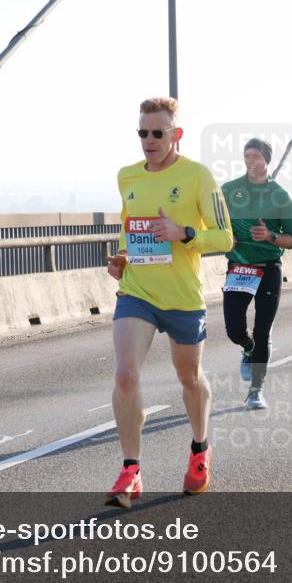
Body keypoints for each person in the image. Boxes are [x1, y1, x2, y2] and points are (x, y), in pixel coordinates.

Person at [105, 96, 234, 508]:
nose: (149, 140)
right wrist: (121, 257)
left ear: (176, 134)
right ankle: (131, 469)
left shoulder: (197, 176)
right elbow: (128, 228)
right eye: (142, 133)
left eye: (157, 133)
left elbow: (225, 237)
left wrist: (185, 234)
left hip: (182, 297)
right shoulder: (127, 176)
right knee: (125, 375)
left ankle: (200, 448)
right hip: (137, 293)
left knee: (189, 378)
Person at [221, 138, 292, 410]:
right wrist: (225, 237)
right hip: (239, 267)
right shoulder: (229, 190)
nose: (251, 161)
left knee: (262, 330)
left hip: (269, 268)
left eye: (256, 156)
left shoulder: (279, 195)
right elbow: (213, 222)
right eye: (247, 156)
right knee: (234, 329)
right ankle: (247, 347)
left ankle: (256, 390)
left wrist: (270, 236)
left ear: (267, 159)